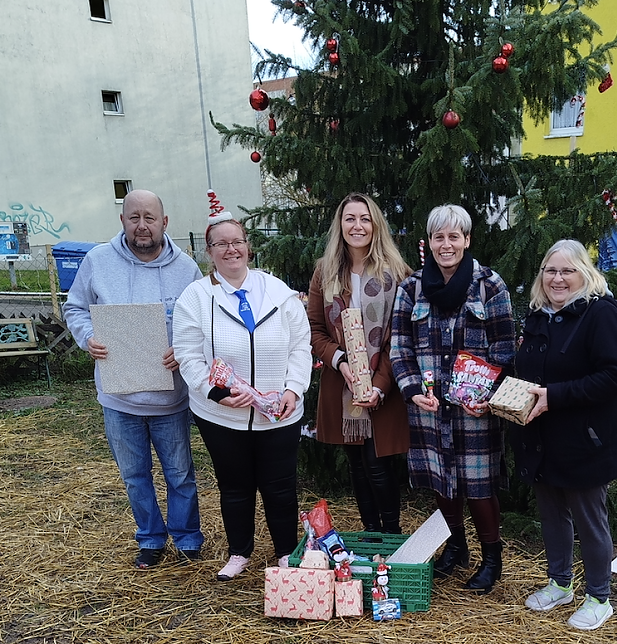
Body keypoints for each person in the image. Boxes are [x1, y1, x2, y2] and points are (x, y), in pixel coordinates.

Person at [63, 189, 204, 569]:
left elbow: (202, 322)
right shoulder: (97, 261)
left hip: (170, 399)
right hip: (119, 396)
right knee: (135, 476)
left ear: (165, 222)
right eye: (134, 217)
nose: (142, 225)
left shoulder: (187, 269)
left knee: (180, 473)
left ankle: (188, 538)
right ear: (122, 220)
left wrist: (187, 349)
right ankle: (151, 539)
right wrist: (87, 337)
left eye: (150, 217)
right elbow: (74, 307)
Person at [172, 206, 311, 581]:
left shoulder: (278, 292)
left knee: (280, 487)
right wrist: (216, 393)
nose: (230, 250)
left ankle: (285, 552)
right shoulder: (195, 298)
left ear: (248, 247)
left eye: (237, 242)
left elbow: (301, 345)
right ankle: (239, 552)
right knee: (234, 486)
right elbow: (186, 355)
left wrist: (293, 389)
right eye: (221, 244)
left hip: (278, 413)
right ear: (209, 250)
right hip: (221, 415)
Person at [390, 204, 515, 594]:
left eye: (454, 236)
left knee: (479, 486)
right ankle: (456, 547)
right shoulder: (411, 288)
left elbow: (505, 348)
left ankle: (491, 558)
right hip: (429, 410)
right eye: (438, 237)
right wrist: (412, 390)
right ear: (429, 243)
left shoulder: (489, 286)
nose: (446, 245)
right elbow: (399, 346)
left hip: (474, 410)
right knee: (442, 483)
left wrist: (486, 395)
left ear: (467, 240)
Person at [513, 239, 617, 631]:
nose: (558, 278)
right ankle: (560, 583)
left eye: (567, 270)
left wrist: (556, 396)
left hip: (587, 439)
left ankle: (599, 596)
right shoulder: (538, 317)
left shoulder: (600, 314)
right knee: (551, 515)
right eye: (551, 270)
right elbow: (527, 371)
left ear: (585, 273)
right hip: (543, 436)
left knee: (589, 520)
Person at [307, 193, 411, 533]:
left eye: (365, 219)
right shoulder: (325, 272)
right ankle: (371, 534)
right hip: (343, 384)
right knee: (356, 465)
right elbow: (315, 329)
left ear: (375, 225)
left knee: (377, 464)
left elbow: (401, 336)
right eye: (350, 218)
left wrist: (379, 386)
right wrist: (341, 363)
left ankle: (391, 536)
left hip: (385, 381)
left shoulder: (397, 273)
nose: (357, 226)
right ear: (340, 225)